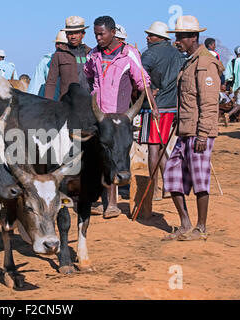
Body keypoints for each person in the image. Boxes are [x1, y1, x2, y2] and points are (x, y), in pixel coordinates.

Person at [84, 15, 158, 218]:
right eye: (96, 34)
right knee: (100, 155)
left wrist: (152, 104)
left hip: (120, 117)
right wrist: (94, 95)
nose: (98, 38)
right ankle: (102, 199)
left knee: (115, 157)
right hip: (100, 115)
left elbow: (143, 80)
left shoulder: (129, 54)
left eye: (102, 34)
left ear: (113, 32)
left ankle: (112, 204)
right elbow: (88, 74)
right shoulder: (94, 55)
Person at [162, 16, 224, 241]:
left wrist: (203, 133)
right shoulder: (189, 61)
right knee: (172, 174)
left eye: (179, 37)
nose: (176, 41)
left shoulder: (205, 63)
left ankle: (201, 227)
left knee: (199, 179)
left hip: (199, 133)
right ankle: (185, 223)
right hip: (185, 130)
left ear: (192, 38)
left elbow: (209, 102)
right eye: (176, 36)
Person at [139, 21, 185, 201]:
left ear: (160, 37)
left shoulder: (150, 54)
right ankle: (167, 187)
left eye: (150, 35)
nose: (147, 38)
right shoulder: (178, 54)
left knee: (153, 148)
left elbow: (142, 81)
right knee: (161, 146)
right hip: (171, 107)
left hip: (154, 107)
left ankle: (154, 190)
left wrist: (153, 98)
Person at [45, 16, 91, 100]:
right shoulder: (59, 54)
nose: (73, 36)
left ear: (83, 34)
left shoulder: (90, 53)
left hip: (88, 102)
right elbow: (51, 82)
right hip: (67, 104)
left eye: (76, 33)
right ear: (66, 35)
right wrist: (48, 104)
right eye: (70, 33)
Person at [28, 30, 67, 99]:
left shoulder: (73, 60)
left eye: (63, 44)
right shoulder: (45, 61)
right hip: (49, 101)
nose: (60, 46)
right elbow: (36, 84)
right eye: (58, 43)